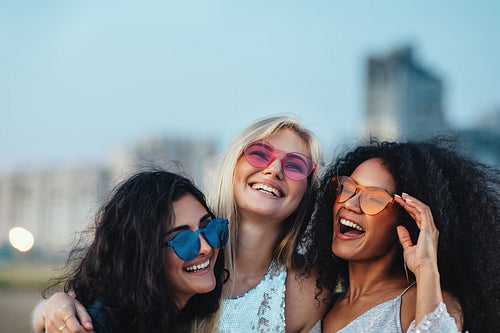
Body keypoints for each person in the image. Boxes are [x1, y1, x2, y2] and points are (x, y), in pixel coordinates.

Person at [34, 115, 330, 333]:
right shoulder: (180, 241)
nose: (274, 169)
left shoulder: (309, 288)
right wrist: (50, 308)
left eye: (295, 165)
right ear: (234, 163)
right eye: (260, 153)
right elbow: (112, 295)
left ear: (309, 187)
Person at [307, 138, 500, 333]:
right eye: (347, 188)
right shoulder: (320, 302)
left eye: (374, 198)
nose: (349, 204)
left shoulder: (426, 303)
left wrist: (426, 267)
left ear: (408, 219)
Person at [34, 171, 228, 333]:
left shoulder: (192, 316)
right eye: (182, 240)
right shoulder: (90, 325)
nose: (206, 247)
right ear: (142, 255)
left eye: (209, 228)